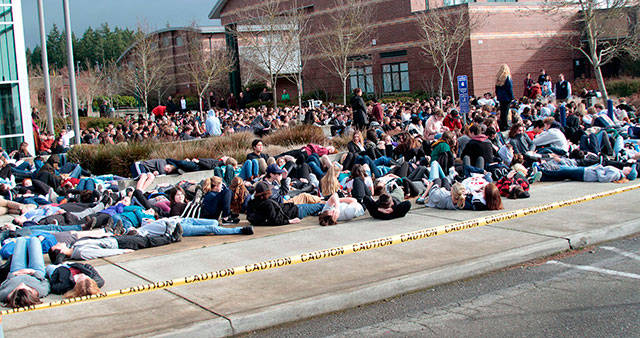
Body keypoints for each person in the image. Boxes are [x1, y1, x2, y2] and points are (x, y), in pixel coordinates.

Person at [0, 237, 50, 307]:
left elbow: (2, 284)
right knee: (34, 240)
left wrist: (12, 275)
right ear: (31, 292)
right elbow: (45, 281)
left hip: (17, 271)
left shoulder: (3, 294)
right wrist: (33, 272)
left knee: (20, 240)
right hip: (35, 271)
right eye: (25, 287)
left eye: (18, 288)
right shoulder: (41, 291)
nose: (22, 284)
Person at [495, 64, 514, 131]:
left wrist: (498, 96)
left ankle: (502, 125)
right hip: (507, 98)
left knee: (502, 112)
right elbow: (509, 88)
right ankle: (505, 125)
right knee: (506, 112)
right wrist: (512, 97)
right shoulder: (507, 78)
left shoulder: (498, 79)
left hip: (501, 98)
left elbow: (496, 89)